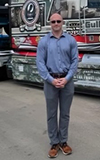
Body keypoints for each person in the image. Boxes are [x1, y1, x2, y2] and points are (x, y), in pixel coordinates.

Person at [36, 13, 78, 158]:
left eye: (58, 21)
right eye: (53, 21)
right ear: (50, 23)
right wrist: (51, 80)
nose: (56, 23)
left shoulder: (71, 41)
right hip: (50, 82)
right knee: (51, 114)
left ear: (62, 22)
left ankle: (63, 142)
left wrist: (66, 79)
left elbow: (74, 62)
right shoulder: (44, 42)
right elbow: (40, 63)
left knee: (65, 114)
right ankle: (54, 143)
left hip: (67, 82)